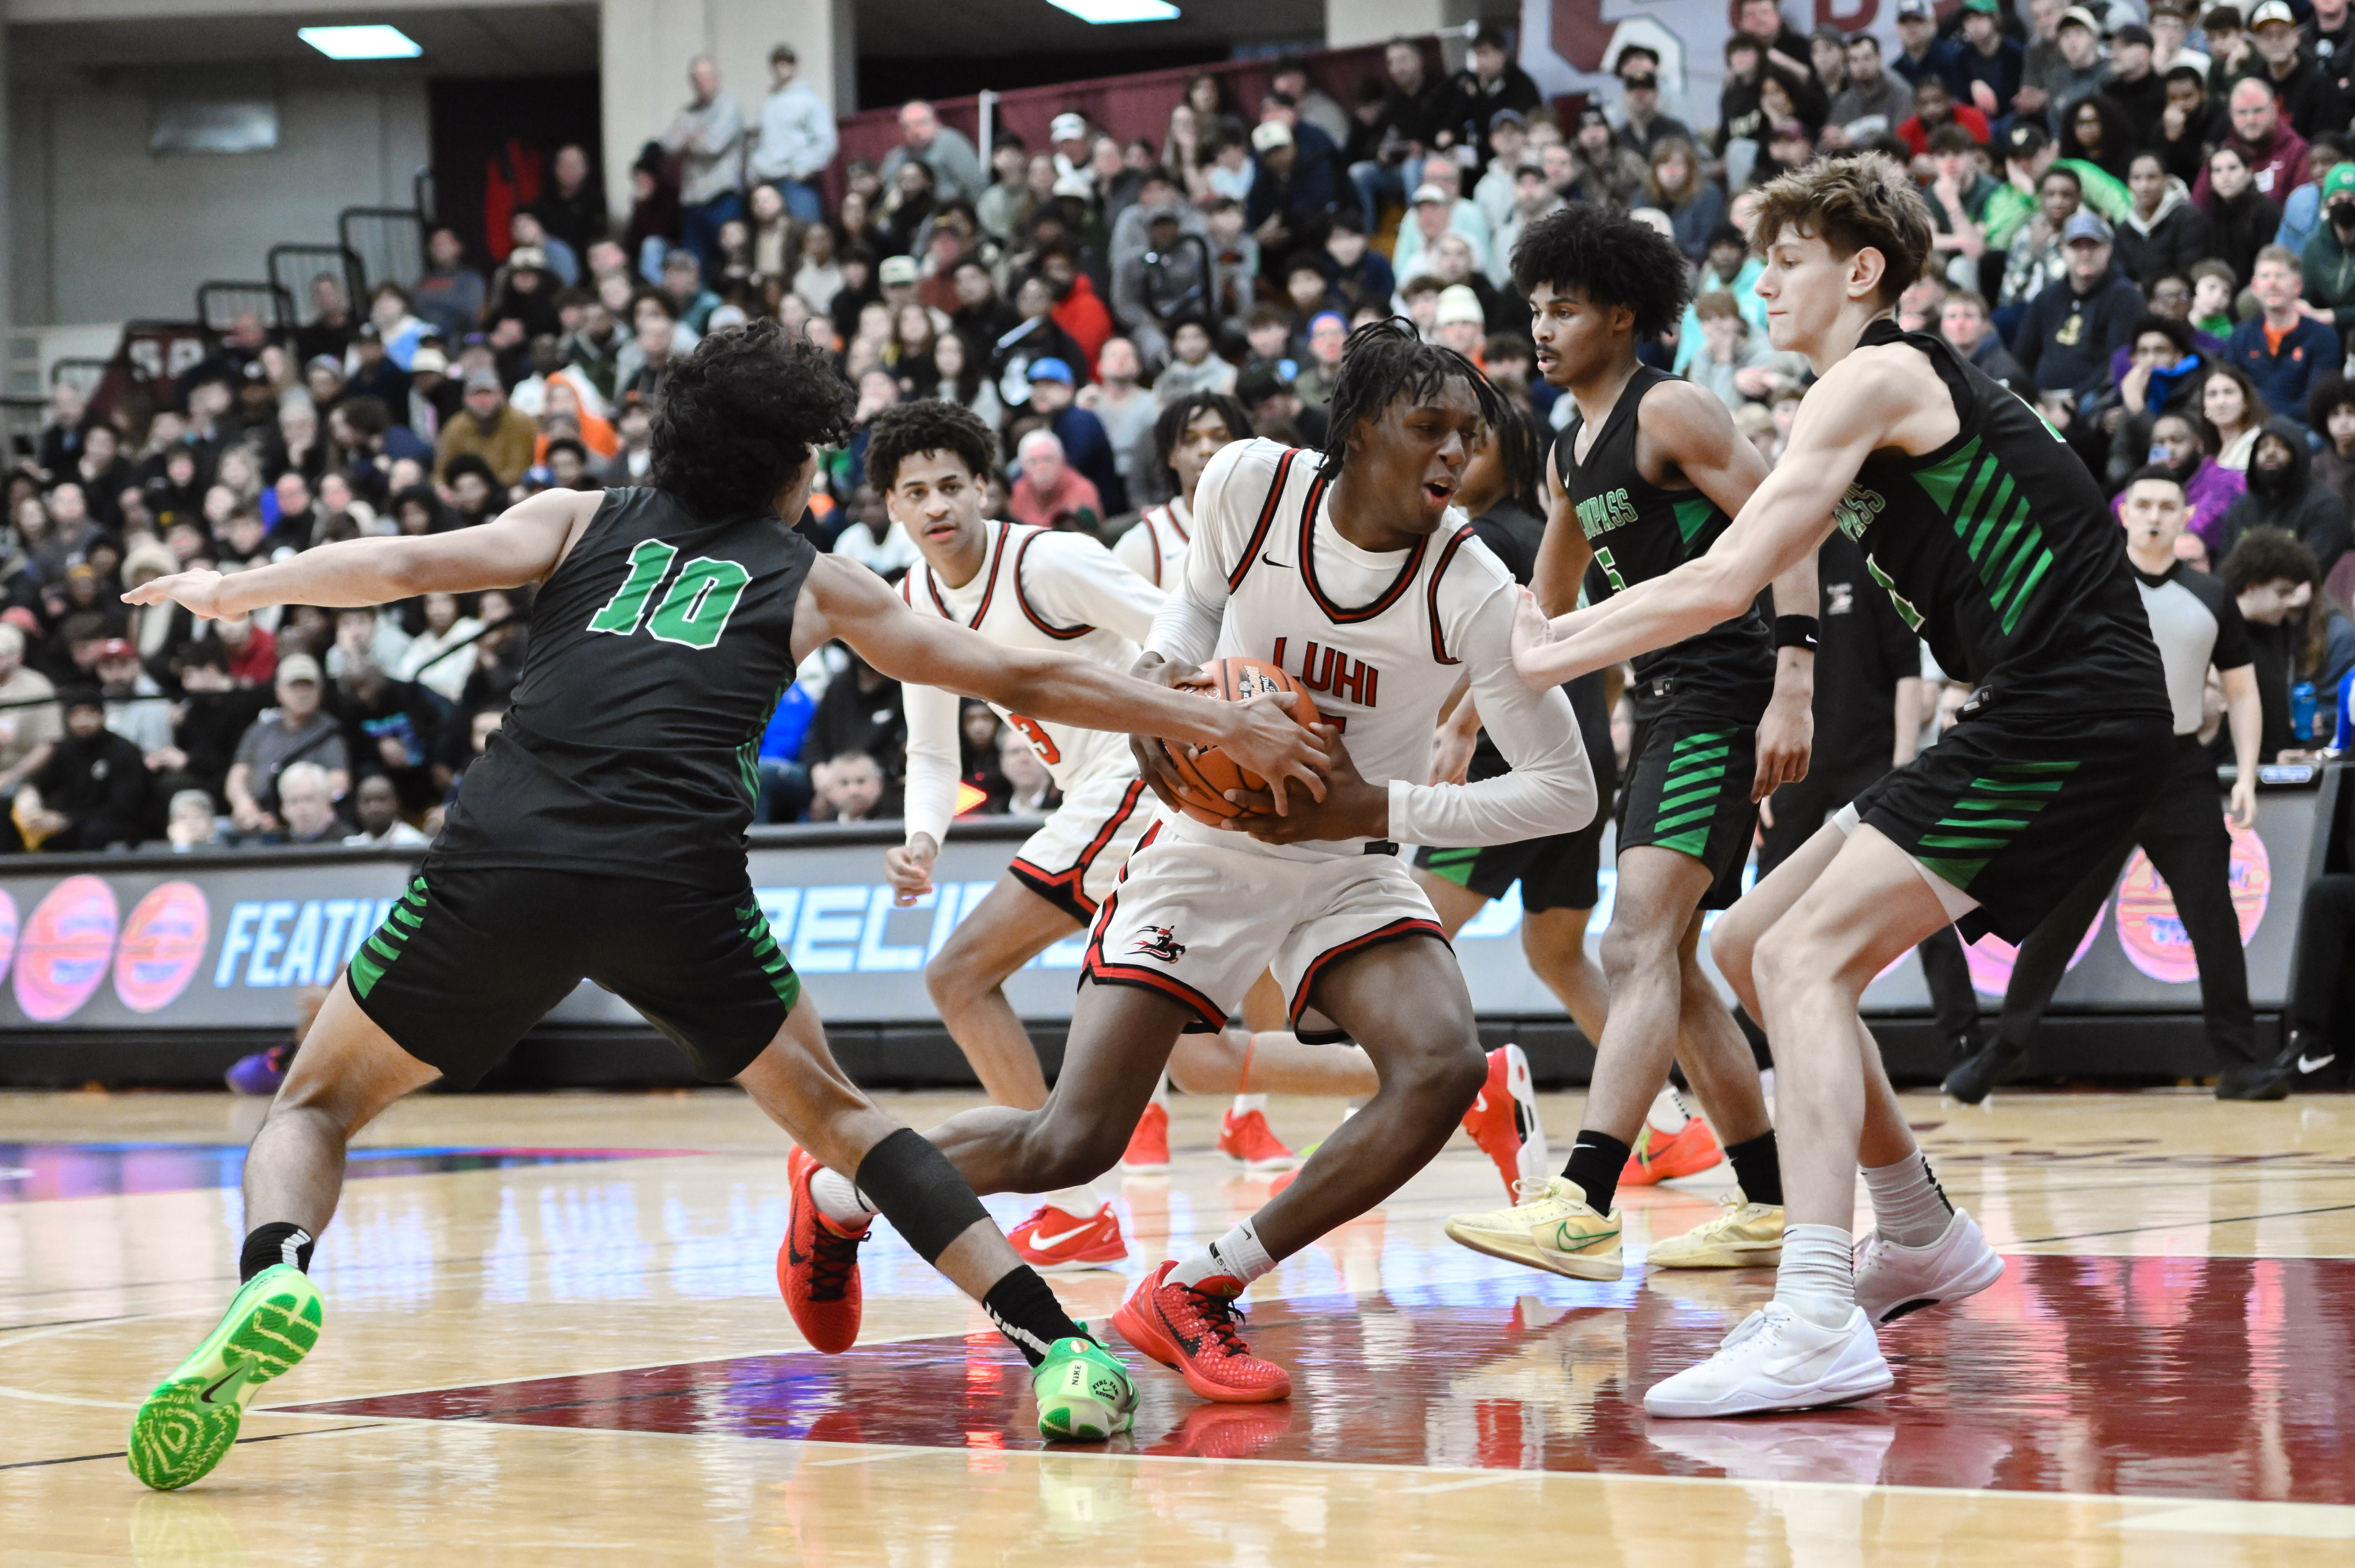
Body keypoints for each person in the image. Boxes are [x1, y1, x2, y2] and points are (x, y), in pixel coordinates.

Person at [121, 321, 1332, 1489]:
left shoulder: (573, 516)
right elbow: (1020, 671)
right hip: (674, 880)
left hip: (504, 861)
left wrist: (237, 583)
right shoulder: (816, 579)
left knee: (317, 1101)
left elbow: (399, 563)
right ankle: (1055, 1343)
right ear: (796, 465)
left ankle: (276, 1269)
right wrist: (1210, 717)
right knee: (844, 1124)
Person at [794, 319, 1595, 1405]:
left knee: (1443, 1064)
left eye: (1473, 433)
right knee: (1069, 1143)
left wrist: (1380, 803)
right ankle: (842, 1194)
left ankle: (1197, 1288)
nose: (1458, 453)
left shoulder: (1473, 584)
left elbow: (1566, 788)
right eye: (1431, 427)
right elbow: (1189, 615)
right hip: (1201, 852)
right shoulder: (1249, 487)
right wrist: (1168, 703)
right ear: (1360, 430)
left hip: (1348, 865)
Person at [1503, 156, 2172, 1417]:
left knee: (1804, 958)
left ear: (1862, 271)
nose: (1760, 276)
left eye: (1787, 256)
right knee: (1750, 943)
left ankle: (1814, 1305)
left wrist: (1541, 645)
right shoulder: (1854, 391)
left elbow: (1729, 577)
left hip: (2072, 703)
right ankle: (1916, 1229)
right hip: (2030, 700)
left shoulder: (1876, 373)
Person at [1442, 202, 1816, 1289]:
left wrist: (1794, 683)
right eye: (1537, 308)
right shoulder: (1567, 448)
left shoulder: (1677, 411)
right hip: (1659, 700)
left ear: (1623, 314)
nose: (1543, 329)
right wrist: (1472, 705)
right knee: (1675, 965)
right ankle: (1773, 1204)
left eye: (1565, 309)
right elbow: (1545, 607)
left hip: (1723, 689)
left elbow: (1786, 526)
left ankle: (1586, 1199)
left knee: (1633, 943)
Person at [1949, 467, 2278, 1102]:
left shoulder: (2211, 593)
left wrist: (2250, 773)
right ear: (2124, 512)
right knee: (2057, 916)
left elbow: (2241, 688)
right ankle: (2006, 1049)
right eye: (2145, 503)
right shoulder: (2086, 585)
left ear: (2187, 517)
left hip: (2182, 770)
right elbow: (2034, 660)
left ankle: (2240, 1061)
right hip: (2098, 765)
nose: (2156, 515)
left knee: (2212, 916)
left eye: (2169, 505)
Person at [2015, 212, 2147, 399]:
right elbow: (2022, 357)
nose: (2085, 254)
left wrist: (2073, 402)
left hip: (2094, 399)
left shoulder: (2125, 297)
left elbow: (2118, 362)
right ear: (2063, 251)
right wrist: (2032, 400)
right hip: (2042, 400)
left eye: (2093, 245)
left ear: (2108, 250)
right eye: (2076, 246)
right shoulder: (2047, 298)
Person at [2226, 246, 2340, 425]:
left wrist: (2274, 425)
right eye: (2265, 277)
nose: (2272, 283)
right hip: (2249, 427)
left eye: (2280, 276)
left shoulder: (2323, 337)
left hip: (2304, 429)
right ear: (2255, 287)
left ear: (2298, 286)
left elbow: (2318, 399)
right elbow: (2231, 391)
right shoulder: (2240, 337)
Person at [749, 44, 837, 225]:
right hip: (768, 181)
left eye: (788, 63)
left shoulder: (810, 101)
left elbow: (826, 142)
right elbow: (759, 141)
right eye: (778, 64)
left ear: (795, 67)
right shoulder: (768, 105)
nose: (783, 68)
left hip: (797, 183)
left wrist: (801, 169)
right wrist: (756, 170)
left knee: (805, 234)